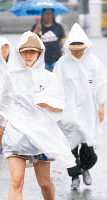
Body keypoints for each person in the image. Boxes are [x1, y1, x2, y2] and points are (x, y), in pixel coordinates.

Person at [0, 31, 75, 200]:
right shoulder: (11, 77)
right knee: (16, 181)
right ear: (20, 53)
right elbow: (4, 104)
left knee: (45, 183)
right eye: (25, 51)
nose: (29, 55)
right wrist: (0, 126)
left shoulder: (49, 78)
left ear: (40, 53)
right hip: (16, 135)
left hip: (40, 136)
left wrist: (47, 104)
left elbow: (60, 106)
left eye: (33, 51)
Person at [54, 23, 107, 189]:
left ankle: (85, 168)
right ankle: (74, 176)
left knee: (87, 144)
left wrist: (101, 105)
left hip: (88, 110)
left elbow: (101, 84)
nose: (77, 53)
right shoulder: (62, 63)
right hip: (68, 111)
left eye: (80, 50)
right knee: (71, 145)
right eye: (74, 50)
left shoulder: (94, 63)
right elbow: (55, 86)